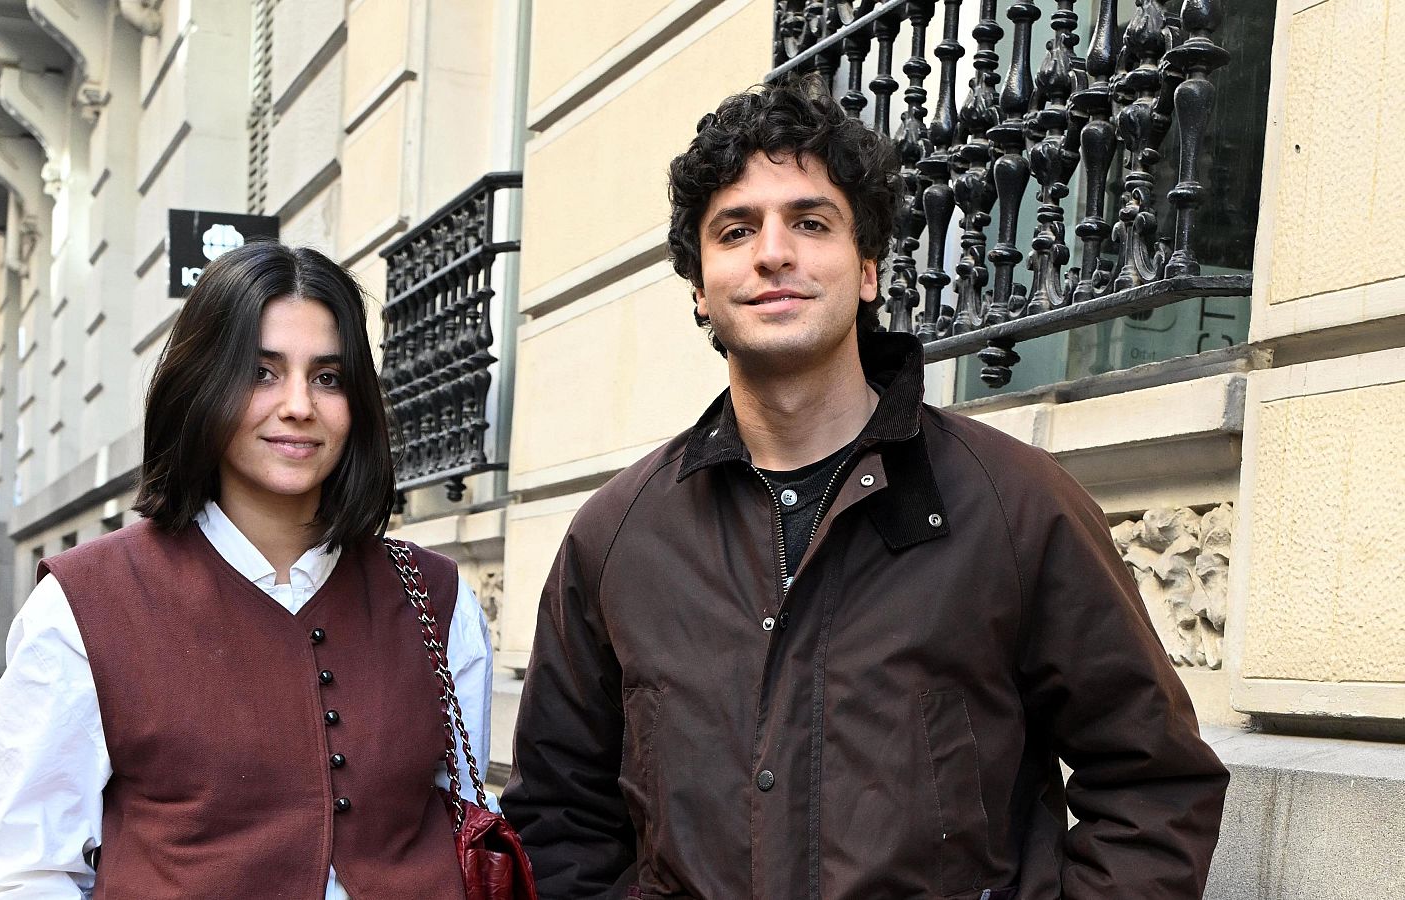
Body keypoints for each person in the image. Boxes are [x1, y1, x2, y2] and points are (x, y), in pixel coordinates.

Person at [500, 78, 1229, 899]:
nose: (773, 252)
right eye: (736, 230)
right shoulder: (617, 539)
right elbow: (559, 822)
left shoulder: (1015, 506)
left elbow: (1153, 786)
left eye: (811, 223)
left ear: (870, 269)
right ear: (700, 288)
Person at [0, 242, 495, 899]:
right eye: (262, 372)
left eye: (328, 378)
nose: (299, 404)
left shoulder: (435, 598)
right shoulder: (86, 604)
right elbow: (35, 875)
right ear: (203, 385)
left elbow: (465, 819)